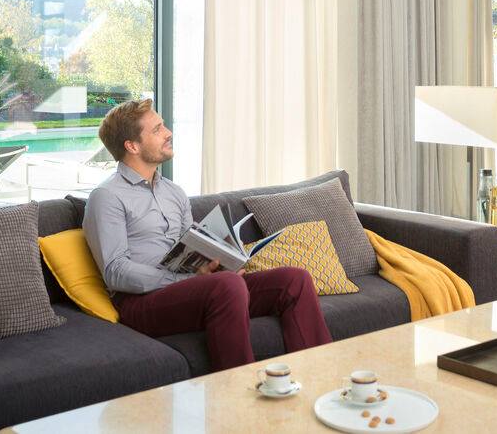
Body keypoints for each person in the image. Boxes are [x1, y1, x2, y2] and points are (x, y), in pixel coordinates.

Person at [82, 99, 332, 370]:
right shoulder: (106, 196)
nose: (168, 133)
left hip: (193, 287)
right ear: (132, 146)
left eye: (163, 125)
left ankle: (319, 380)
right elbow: (115, 271)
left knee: (294, 280)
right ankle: (238, 394)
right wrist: (179, 279)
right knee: (227, 285)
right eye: (157, 130)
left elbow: (190, 246)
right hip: (141, 303)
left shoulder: (173, 192)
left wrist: (222, 262)